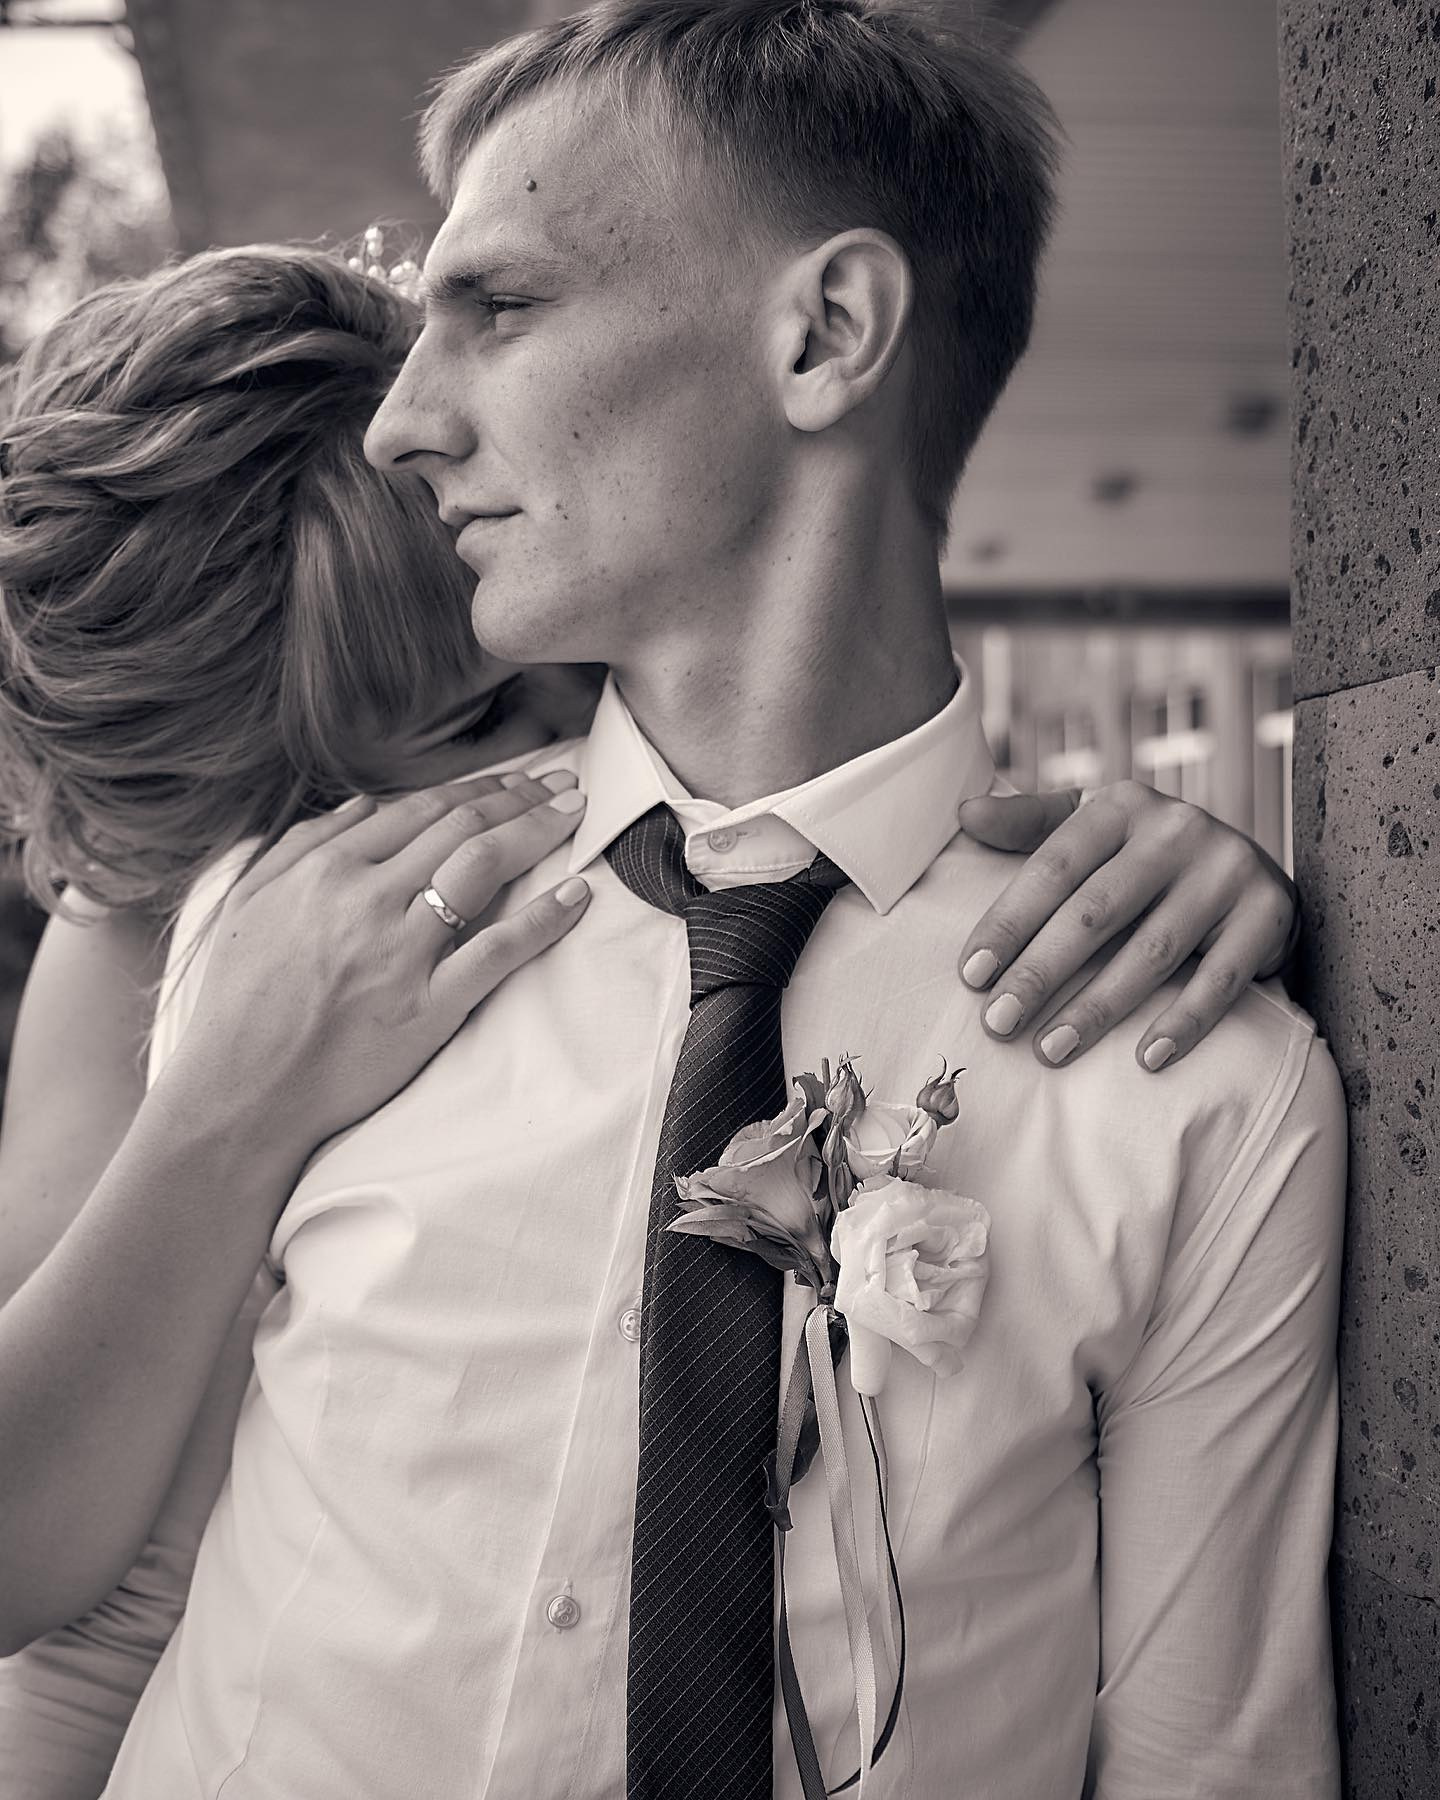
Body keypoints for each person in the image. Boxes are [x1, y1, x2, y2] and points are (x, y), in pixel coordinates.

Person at [80, 2, 1344, 1795]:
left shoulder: (1201, 1087)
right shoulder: (306, 951)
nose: (399, 427)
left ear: (825, 333)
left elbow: (1216, 1758)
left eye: (498, 308)